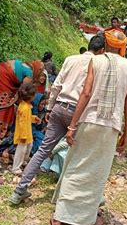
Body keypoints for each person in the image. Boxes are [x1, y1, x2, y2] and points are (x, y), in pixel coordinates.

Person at [50, 29, 127, 225]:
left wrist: (72, 126)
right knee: (97, 173)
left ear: (105, 44)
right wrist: (126, 132)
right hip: (110, 127)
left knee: (75, 166)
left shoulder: (95, 61)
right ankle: (88, 222)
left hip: (88, 121)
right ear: (123, 46)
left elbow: (86, 93)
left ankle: (59, 217)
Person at [9, 35, 106, 204]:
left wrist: (49, 107)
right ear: (102, 51)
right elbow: (89, 93)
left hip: (59, 106)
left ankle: (19, 190)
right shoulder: (99, 64)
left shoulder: (70, 59)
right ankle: (83, 196)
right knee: (81, 154)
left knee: (42, 151)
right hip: (78, 112)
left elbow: (57, 85)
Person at [0, 59, 44, 138]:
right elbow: (24, 92)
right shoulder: (29, 74)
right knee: (6, 104)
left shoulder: (26, 66)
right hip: (3, 77)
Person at [12, 84, 41, 175]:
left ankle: (24, 162)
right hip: (23, 134)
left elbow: (27, 118)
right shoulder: (24, 108)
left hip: (27, 132)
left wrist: (34, 118)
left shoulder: (26, 106)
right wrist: (23, 136)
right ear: (31, 97)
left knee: (29, 147)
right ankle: (16, 167)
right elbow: (22, 123)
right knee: (21, 150)